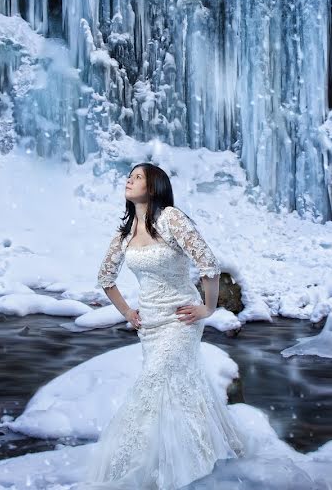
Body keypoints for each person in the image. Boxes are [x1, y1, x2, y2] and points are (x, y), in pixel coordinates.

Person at [85, 162, 245, 489]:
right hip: (150, 324)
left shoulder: (170, 218)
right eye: (129, 175)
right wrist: (129, 312)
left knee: (154, 382)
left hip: (181, 319)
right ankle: (190, 455)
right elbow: (105, 278)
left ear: (154, 186)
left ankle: (142, 469)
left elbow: (208, 263)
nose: (130, 179)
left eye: (138, 176)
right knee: (177, 390)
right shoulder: (125, 232)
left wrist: (208, 307)